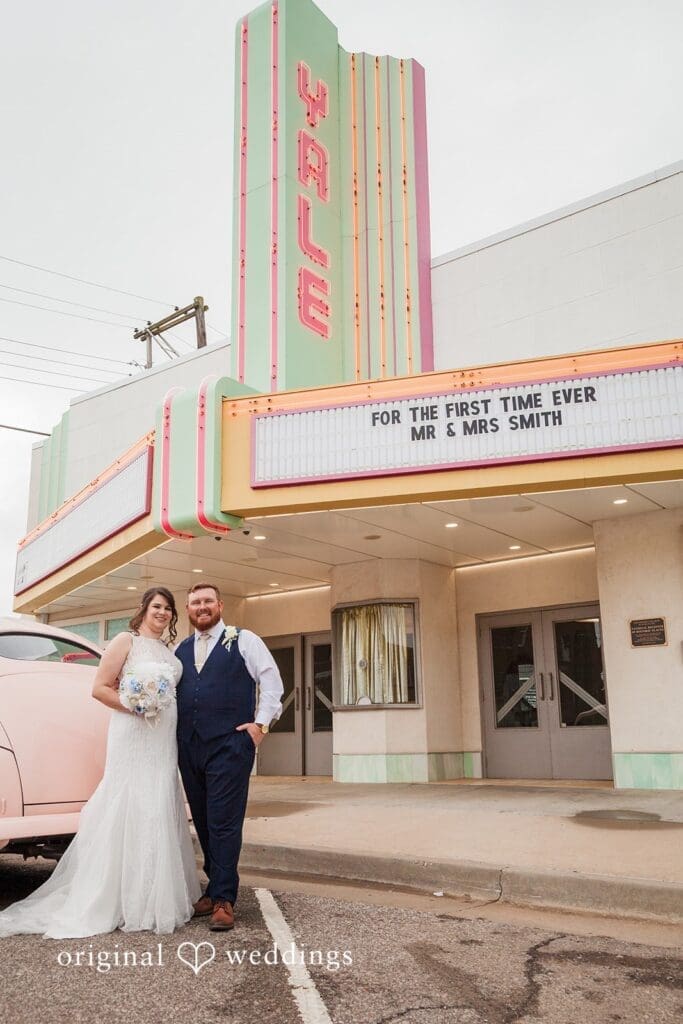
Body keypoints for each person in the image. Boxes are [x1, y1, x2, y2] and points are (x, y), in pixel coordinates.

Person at [0, 587, 200, 939]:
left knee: (157, 802)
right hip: (134, 732)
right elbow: (100, 687)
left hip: (162, 739)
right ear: (144, 609)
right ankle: (120, 896)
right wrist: (137, 706)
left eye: (168, 609)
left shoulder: (168, 651)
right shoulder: (126, 641)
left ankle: (154, 894)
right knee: (130, 801)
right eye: (157, 606)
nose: (163, 613)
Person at [175, 583, 283, 932]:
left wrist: (260, 726)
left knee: (224, 821)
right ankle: (214, 885)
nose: (202, 607)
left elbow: (271, 683)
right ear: (188, 609)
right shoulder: (181, 649)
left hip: (229, 745)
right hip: (189, 747)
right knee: (204, 820)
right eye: (195, 603)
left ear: (220, 605)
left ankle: (224, 898)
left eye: (208, 601)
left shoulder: (244, 640)